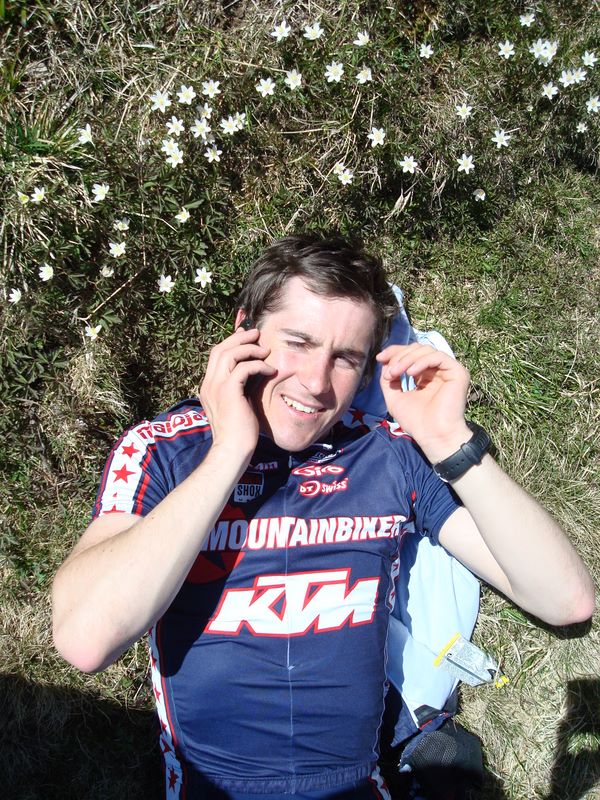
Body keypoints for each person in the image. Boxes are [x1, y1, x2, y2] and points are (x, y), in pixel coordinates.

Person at [52, 235, 594, 800]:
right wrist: (229, 451)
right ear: (244, 332)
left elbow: (565, 601)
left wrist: (449, 441)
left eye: (345, 359)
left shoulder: (387, 455)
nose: (315, 382)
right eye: (299, 343)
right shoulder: (166, 450)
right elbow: (86, 640)